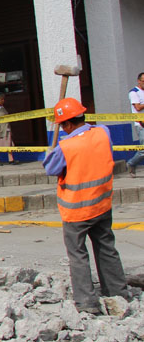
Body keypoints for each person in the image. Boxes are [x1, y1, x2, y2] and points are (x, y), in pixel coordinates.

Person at [43, 97, 128, 315]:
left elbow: (51, 169)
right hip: (101, 204)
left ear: (67, 125)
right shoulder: (103, 133)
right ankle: (117, 292)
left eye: (62, 125)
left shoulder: (66, 147)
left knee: (78, 255)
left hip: (76, 211)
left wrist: (50, 154)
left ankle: (87, 302)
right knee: (107, 248)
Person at [128, 71, 144, 177]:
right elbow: (137, 107)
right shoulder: (134, 92)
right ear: (139, 81)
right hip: (141, 124)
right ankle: (131, 163)